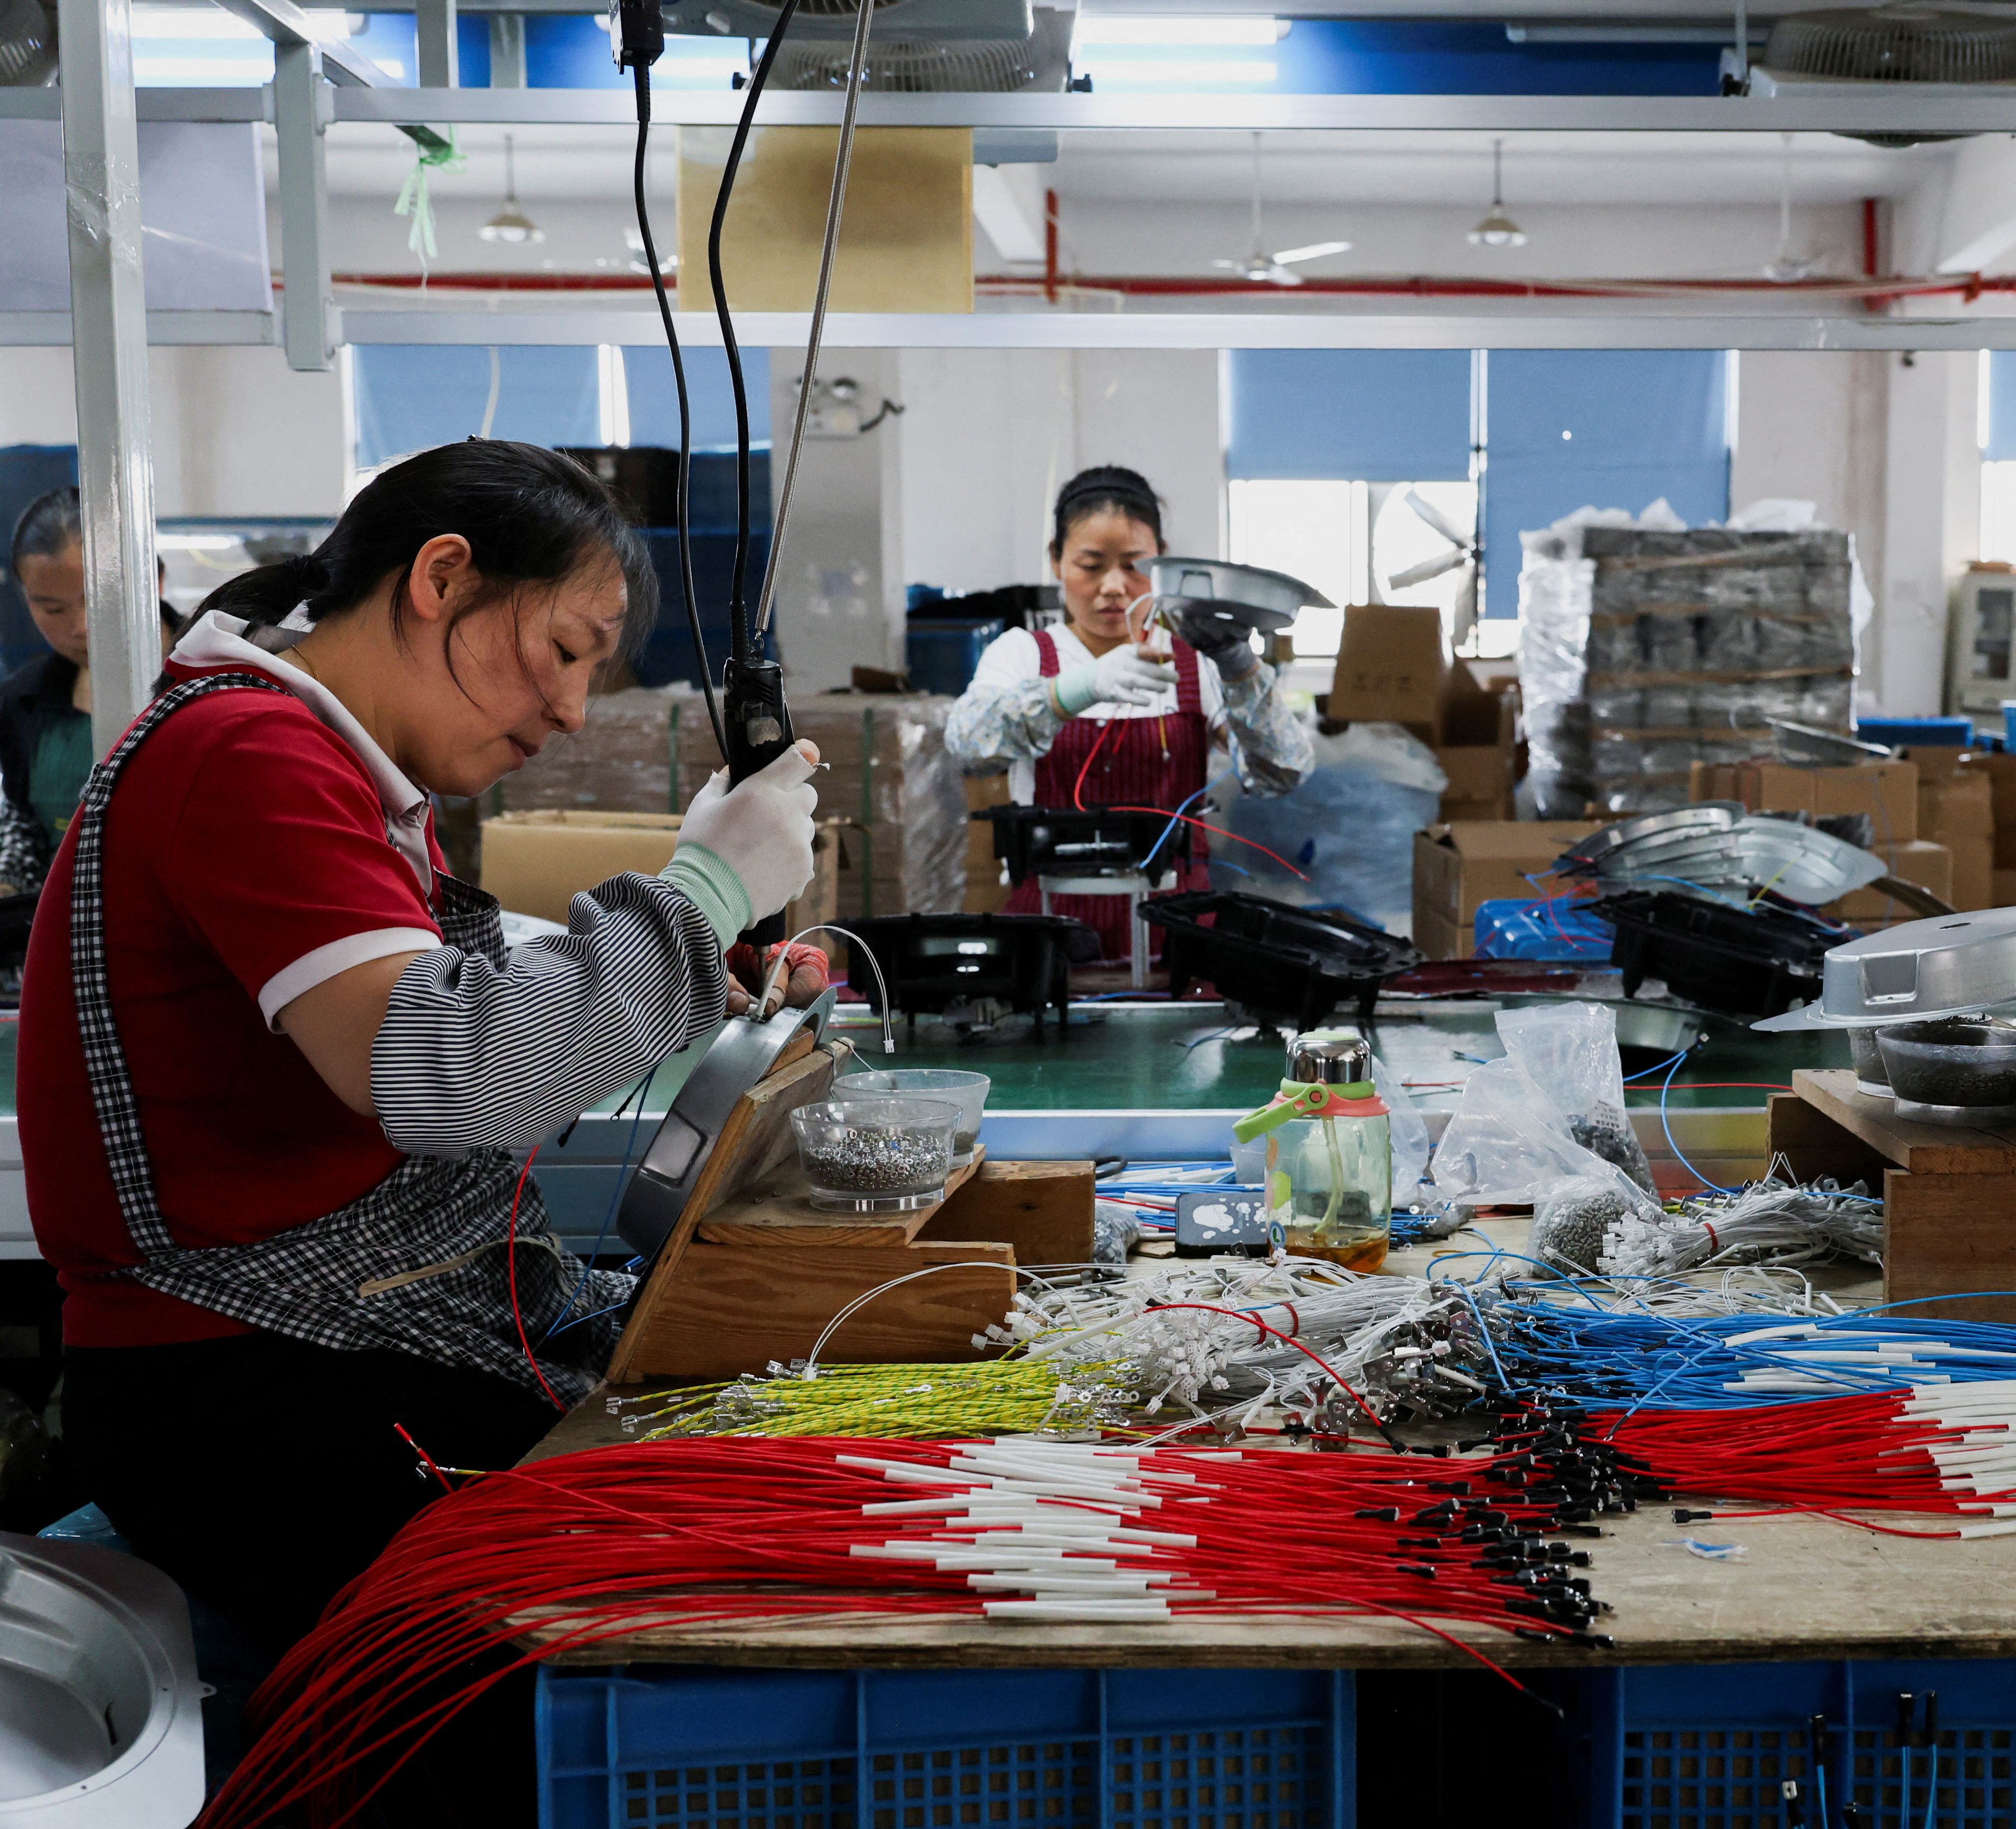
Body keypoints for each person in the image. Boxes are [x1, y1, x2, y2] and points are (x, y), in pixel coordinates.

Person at [19, 441, 826, 1668]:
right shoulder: (247, 755)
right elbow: (441, 1062)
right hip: (252, 1382)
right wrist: (703, 887)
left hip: (320, 1350)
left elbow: (455, 991)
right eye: (563, 652)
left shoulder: (331, 776)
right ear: (441, 577)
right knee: (621, 1645)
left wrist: (658, 966)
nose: (566, 710)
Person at [944, 465, 1312, 959]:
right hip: (1054, 934)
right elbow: (969, 743)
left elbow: (1281, 773)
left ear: (1162, 563)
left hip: (1177, 934)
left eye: (1134, 565)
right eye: (1091, 565)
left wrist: (1239, 666)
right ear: (1056, 560)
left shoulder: (1197, 661)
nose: (1114, 586)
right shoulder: (1022, 656)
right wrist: (1075, 689)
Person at [0, 487, 190, 890]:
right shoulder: (24, 700)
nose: (81, 626)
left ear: (151, 581)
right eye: (52, 608)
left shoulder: (215, 681)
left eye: (96, 600)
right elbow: (24, 834)